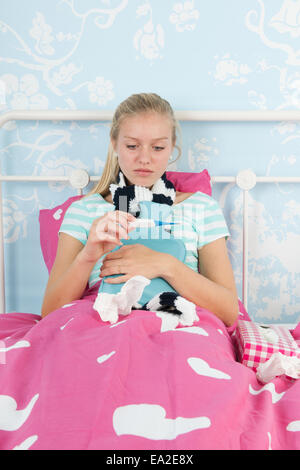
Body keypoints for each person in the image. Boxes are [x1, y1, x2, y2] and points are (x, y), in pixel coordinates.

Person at [41, 93, 238, 326]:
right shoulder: (84, 211)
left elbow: (229, 312)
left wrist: (165, 265)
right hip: (99, 326)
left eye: (157, 147)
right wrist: (88, 255)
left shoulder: (201, 208)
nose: (144, 158)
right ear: (114, 143)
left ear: (171, 147)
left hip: (179, 329)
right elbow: (50, 314)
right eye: (132, 145)